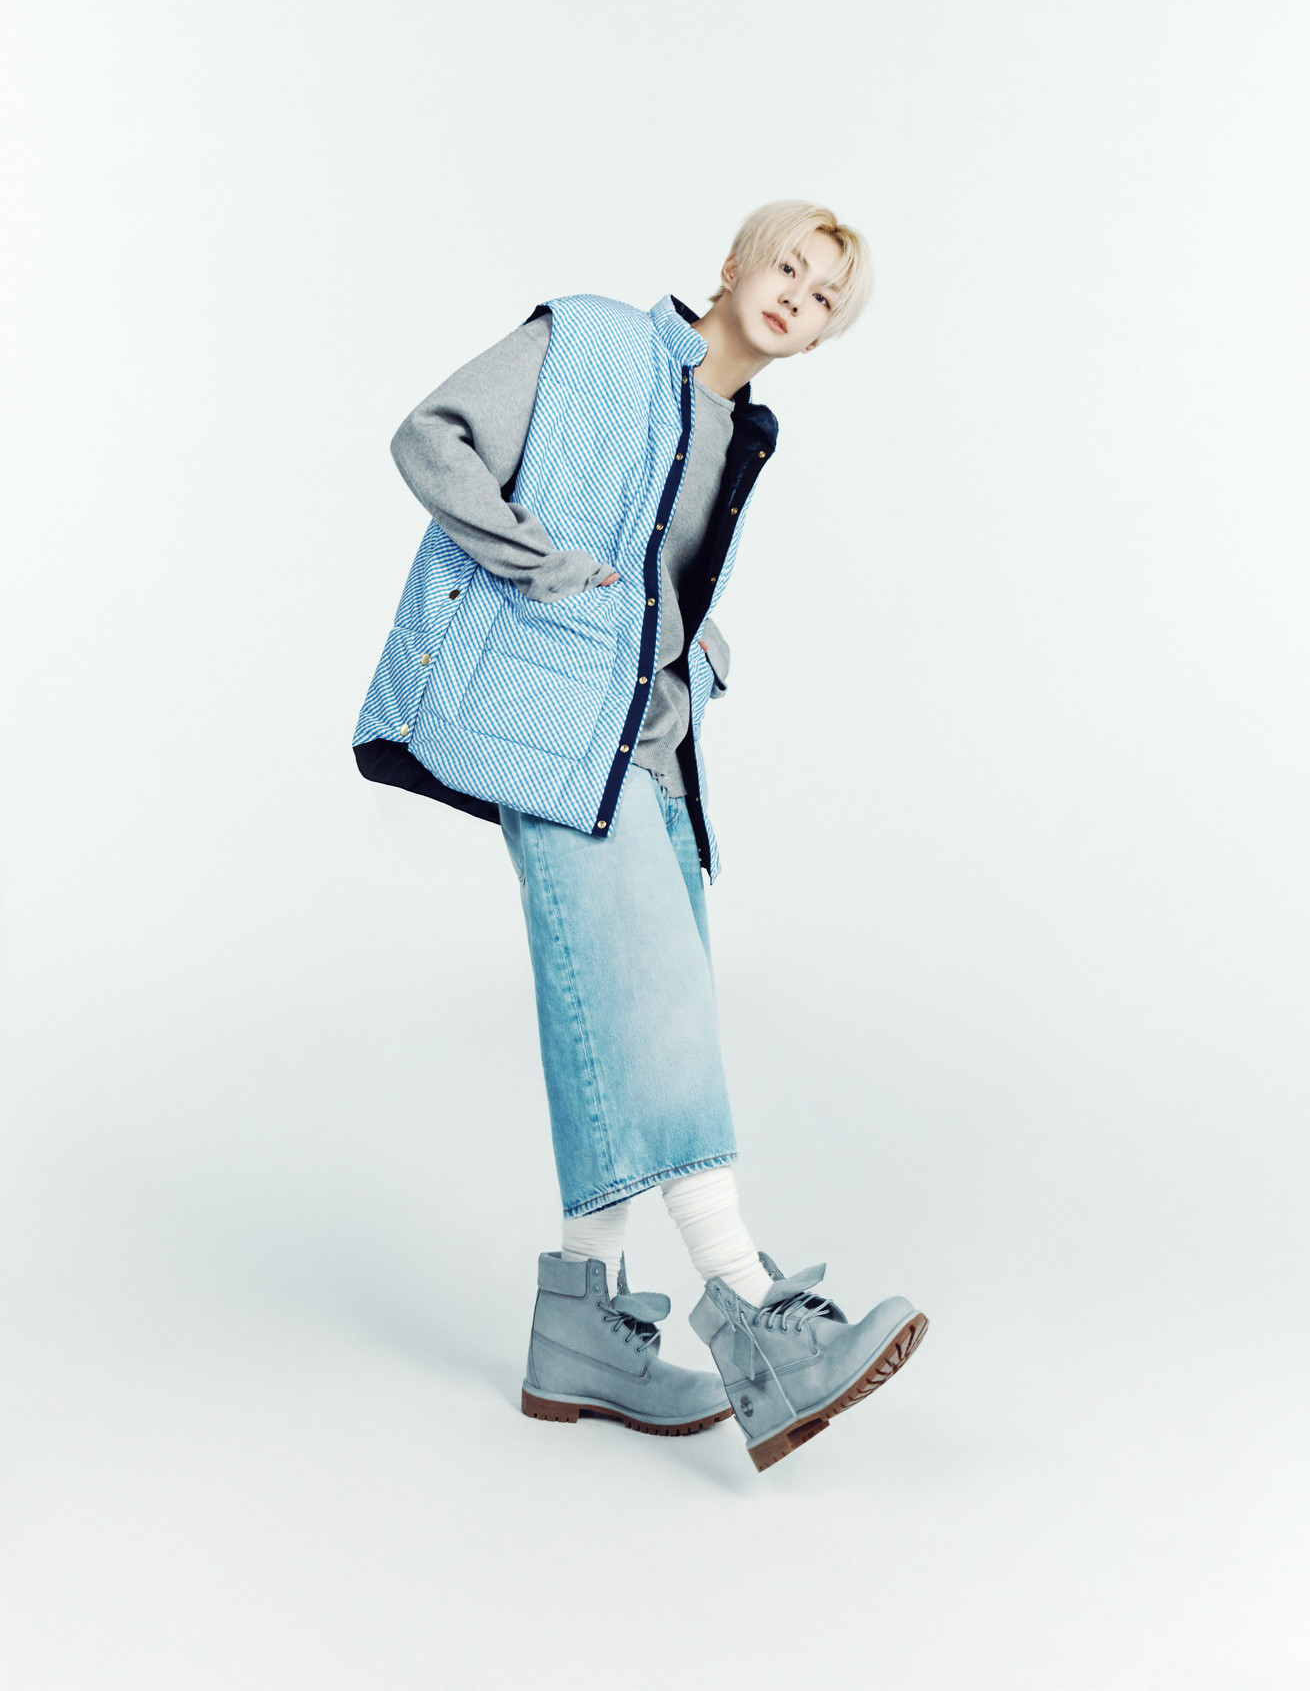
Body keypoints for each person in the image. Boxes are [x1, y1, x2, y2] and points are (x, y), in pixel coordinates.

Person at [353, 200, 927, 1472]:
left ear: (819, 340)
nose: (796, 297)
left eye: (822, 299)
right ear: (734, 264)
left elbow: (655, 561)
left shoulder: (740, 427)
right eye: (787, 267)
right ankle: (756, 1310)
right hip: (557, 735)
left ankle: (582, 1330)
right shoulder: (594, 342)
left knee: (617, 1021)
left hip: (655, 750)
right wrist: (541, 563)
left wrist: (688, 639)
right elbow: (431, 435)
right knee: (652, 1011)